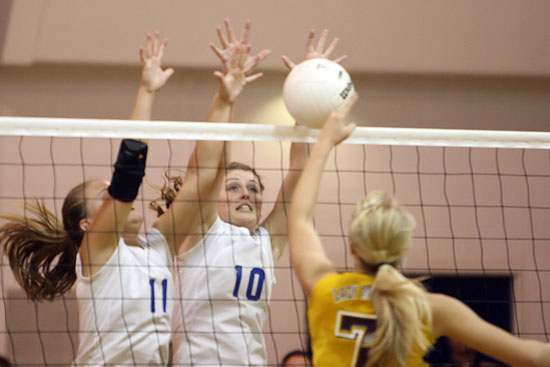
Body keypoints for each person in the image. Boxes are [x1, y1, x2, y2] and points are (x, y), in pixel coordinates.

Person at [0, 31, 229, 366]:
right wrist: (146, 92)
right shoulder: (98, 253)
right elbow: (126, 180)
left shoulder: (159, 246)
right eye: (101, 192)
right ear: (88, 224)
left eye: (109, 187)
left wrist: (224, 99)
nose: (112, 191)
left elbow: (202, 176)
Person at [287, 93, 550, 367]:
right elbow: (534, 357)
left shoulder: (324, 288)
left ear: (353, 246)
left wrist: (325, 143)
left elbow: (300, 218)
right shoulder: (430, 309)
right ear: (403, 249)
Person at [166, 25, 348, 367]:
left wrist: (306, 99)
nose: (245, 193)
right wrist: (226, 98)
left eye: (253, 187)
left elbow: (298, 177)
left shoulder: (265, 243)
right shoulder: (203, 233)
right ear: (215, 197)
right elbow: (210, 167)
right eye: (233, 187)